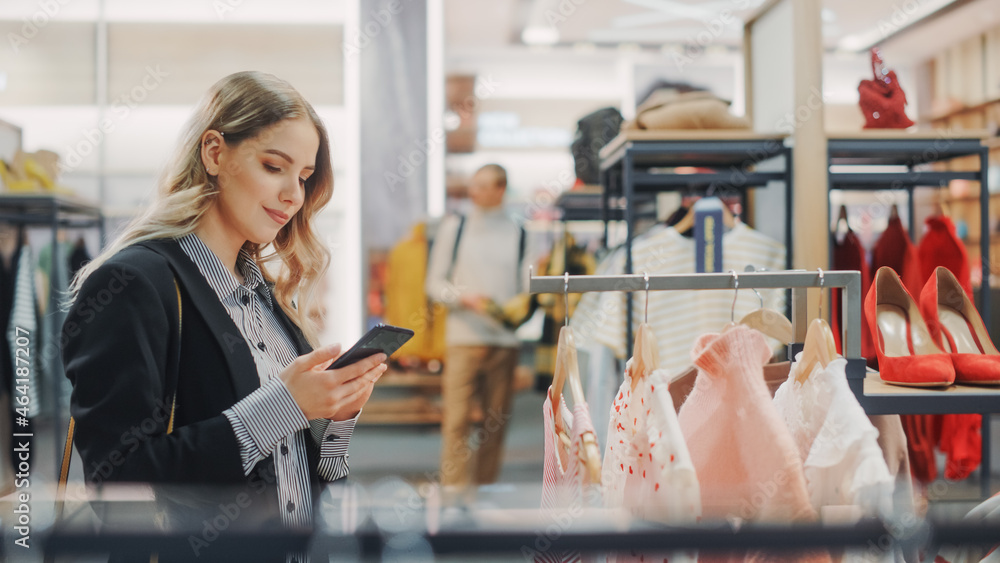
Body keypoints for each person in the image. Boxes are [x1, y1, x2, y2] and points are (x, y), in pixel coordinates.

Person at [62, 71, 385, 562]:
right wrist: (286, 407)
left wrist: (331, 419)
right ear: (214, 153)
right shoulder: (135, 282)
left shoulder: (263, 294)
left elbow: (294, 470)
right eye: (274, 166)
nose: (294, 195)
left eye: (303, 177)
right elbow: (117, 479)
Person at [425, 163, 529, 492]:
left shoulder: (521, 232)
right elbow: (433, 284)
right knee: (455, 421)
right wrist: (463, 297)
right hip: (462, 338)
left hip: (505, 341)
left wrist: (515, 311)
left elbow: (526, 287)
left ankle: (485, 491)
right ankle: (453, 492)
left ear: (501, 190)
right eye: (473, 185)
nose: (475, 192)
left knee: (494, 423)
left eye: (483, 186)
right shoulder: (455, 227)